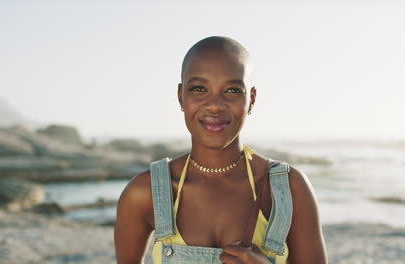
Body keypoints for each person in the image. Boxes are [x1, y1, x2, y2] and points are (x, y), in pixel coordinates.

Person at [114, 36, 327, 264]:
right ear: (180, 96)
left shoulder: (289, 189)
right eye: (199, 88)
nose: (215, 104)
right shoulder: (145, 192)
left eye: (233, 90)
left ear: (251, 99)